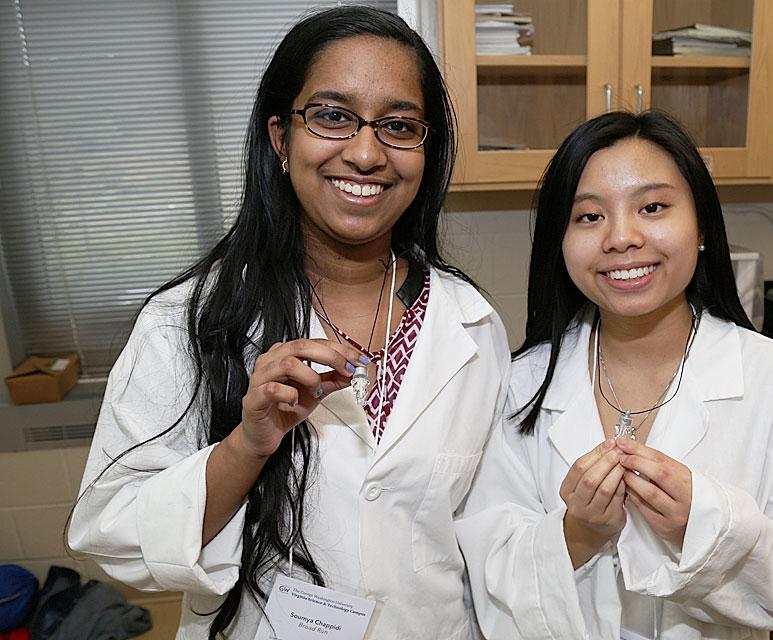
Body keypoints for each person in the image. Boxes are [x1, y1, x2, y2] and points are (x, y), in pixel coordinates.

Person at [68, 7, 509, 639]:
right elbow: (109, 533)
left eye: (399, 125)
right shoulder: (190, 321)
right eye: (332, 116)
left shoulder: (471, 324)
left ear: (425, 146)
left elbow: (488, 531)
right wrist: (247, 445)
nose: (365, 152)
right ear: (281, 138)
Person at [455, 110, 773, 640]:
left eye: (652, 207)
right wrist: (577, 533)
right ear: (561, 242)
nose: (622, 238)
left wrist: (703, 524)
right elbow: (486, 573)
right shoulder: (518, 388)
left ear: (700, 228)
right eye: (588, 216)